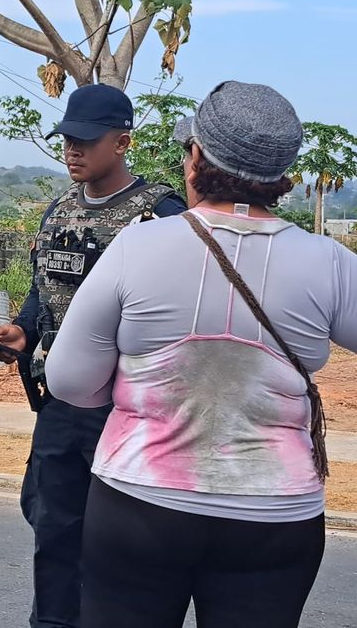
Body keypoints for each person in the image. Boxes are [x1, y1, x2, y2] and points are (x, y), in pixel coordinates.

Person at [45, 80, 357, 628]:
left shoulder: (140, 246)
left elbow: (69, 381)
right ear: (283, 174)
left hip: (141, 500)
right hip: (276, 511)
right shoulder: (328, 261)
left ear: (196, 158)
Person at [0, 83, 186, 628]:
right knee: (53, 531)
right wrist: (22, 333)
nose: (73, 150)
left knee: (125, 545)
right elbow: (43, 291)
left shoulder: (162, 215)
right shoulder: (58, 211)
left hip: (129, 413)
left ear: (123, 142)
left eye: (86, 140)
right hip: (61, 407)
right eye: (67, 138)